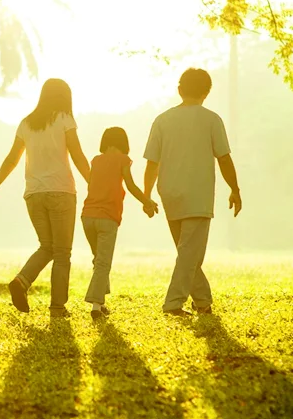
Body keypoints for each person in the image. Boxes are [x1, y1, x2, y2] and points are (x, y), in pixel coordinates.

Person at [0, 79, 91, 318]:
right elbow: (77, 154)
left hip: (33, 195)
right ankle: (58, 308)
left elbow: (11, 159)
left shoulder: (26, 123)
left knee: (47, 247)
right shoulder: (64, 119)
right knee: (62, 253)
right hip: (61, 192)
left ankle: (22, 280)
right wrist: (95, 183)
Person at [143, 68, 242, 317]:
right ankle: (173, 304)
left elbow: (152, 163)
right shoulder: (211, 119)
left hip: (170, 193)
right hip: (198, 194)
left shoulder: (162, 120)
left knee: (188, 253)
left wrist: (147, 195)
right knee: (190, 253)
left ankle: (203, 302)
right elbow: (224, 158)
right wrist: (235, 189)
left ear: (179, 90)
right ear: (207, 93)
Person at [82, 126, 159, 321]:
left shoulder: (96, 161)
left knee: (99, 258)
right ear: (124, 144)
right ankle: (95, 306)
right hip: (107, 217)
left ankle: (101, 302)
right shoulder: (123, 160)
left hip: (87, 217)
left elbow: (92, 184)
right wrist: (147, 201)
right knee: (103, 263)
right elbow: (130, 185)